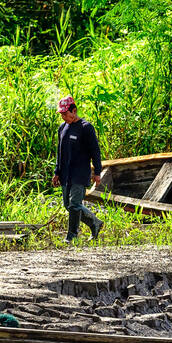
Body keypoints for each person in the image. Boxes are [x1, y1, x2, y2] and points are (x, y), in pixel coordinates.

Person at [51, 95, 104, 243]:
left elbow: (95, 151)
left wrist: (98, 172)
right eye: (61, 114)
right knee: (68, 205)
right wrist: (56, 172)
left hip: (80, 173)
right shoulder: (62, 128)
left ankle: (71, 236)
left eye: (65, 114)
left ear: (74, 111)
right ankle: (95, 222)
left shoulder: (86, 128)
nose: (63, 117)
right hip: (65, 174)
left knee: (74, 204)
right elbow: (59, 153)